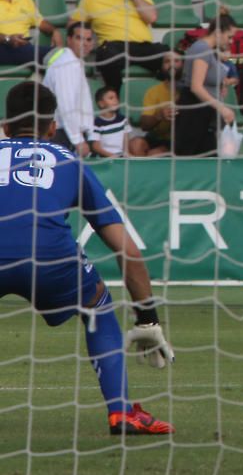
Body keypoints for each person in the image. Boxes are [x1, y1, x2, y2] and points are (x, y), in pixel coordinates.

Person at [0, 81, 174, 435]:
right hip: (49, 256)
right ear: (52, 127)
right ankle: (121, 412)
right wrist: (147, 318)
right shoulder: (70, 161)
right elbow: (127, 249)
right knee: (97, 305)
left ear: (4, 126)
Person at [71, 0, 167, 93]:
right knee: (106, 54)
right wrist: (86, 41)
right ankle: (114, 103)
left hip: (143, 47)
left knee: (171, 56)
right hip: (114, 47)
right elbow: (73, 25)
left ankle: (162, 97)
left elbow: (151, 18)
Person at [172, 12, 238, 157]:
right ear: (219, 32)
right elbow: (196, 86)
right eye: (230, 37)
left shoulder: (211, 51)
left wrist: (221, 84)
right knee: (193, 167)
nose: (231, 41)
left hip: (206, 118)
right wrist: (222, 108)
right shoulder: (201, 49)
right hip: (194, 117)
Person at [43, 20, 95, 157]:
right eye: (79, 38)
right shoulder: (66, 65)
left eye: (89, 39)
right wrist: (78, 140)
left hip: (68, 133)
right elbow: (66, 105)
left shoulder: (75, 62)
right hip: (61, 134)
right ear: (69, 40)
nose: (85, 43)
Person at [0, 0, 62, 68]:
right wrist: (8, 39)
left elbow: (41, 22)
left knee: (62, 56)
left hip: (22, 47)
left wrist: (54, 31)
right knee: (58, 56)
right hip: (2, 46)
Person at [132, 50, 180, 157]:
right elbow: (144, 125)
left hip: (179, 141)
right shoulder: (153, 91)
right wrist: (160, 115)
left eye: (176, 61)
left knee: (154, 154)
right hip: (156, 137)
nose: (171, 64)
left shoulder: (190, 89)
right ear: (162, 66)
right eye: (167, 61)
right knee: (136, 145)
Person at [89, 86, 129, 158]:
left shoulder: (123, 119)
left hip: (120, 157)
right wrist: (111, 156)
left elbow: (125, 140)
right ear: (101, 104)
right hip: (103, 158)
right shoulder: (96, 123)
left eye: (116, 97)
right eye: (111, 98)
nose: (115, 100)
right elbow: (96, 147)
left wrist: (126, 154)